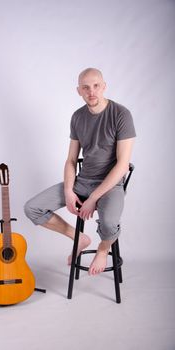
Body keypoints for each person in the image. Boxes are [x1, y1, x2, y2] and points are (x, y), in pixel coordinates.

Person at [24, 68, 136, 275]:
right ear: (79, 91)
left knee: (110, 224)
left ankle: (103, 249)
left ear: (104, 86)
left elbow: (122, 165)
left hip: (110, 185)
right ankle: (80, 238)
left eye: (95, 86)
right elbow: (71, 160)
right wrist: (69, 190)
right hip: (82, 182)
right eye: (85, 87)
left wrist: (93, 198)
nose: (91, 91)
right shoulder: (77, 117)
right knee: (32, 208)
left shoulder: (121, 114)